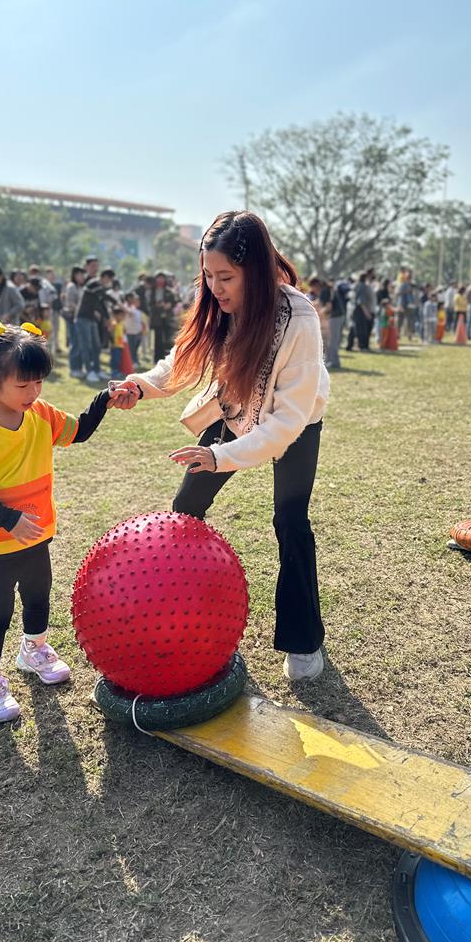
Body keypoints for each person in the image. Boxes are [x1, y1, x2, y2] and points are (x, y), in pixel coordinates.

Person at [113, 211, 330, 682]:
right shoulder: (217, 306)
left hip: (293, 423)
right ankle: (181, 614)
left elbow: (286, 422)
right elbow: (181, 362)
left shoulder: (299, 319)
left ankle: (304, 641)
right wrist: (139, 386)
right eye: (208, 276)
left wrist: (220, 456)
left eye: (226, 277)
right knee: (186, 506)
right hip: (234, 407)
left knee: (290, 520)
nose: (215, 287)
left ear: (255, 270)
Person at [0, 319, 133, 721]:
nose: (33, 393)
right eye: (23, 385)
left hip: (36, 534)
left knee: (38, 596)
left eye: (38, 383)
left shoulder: (40, 413)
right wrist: (8, 519)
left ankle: (33, 651)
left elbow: (79, 431)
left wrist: (104, 398)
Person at [149, 271, 177, 364]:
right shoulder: (152, 291)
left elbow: (174, 301)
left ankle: (167, 359)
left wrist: (169, 305)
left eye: (162, 278)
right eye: (159, 278)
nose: (160, 280)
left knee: (168, 339)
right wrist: (157, 306)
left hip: (167, 318)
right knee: (157, 339)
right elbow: (149, 304)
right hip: (156, 318)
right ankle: (157, 359)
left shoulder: (169, 291)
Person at [326, 277, 349, 369]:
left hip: (335, 317)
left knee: (332, 341)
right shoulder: (335, 290)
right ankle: (330, 361)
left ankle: (335, 362)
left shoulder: (331, 292)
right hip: (339, 317)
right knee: (334, 340)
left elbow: (329, 307)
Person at [123, 291, 146, 366]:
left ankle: (135, 360)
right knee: (131, 347)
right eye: (134, 298)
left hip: (137, 331)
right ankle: (132, 361)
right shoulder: (125, 307)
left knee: (135, 347)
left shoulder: (136, 309)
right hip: (129, 331)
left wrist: (141, 330)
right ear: (129, 298)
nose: (135, 301)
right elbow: (129, 314)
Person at [109, 305, 126, 378]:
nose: (122, 317)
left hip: (120, 345)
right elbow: (110, 332)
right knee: (115, 359)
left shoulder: (121, 324)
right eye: (120, 315)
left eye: (122, 316)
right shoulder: (114, 323)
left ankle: (117, 371)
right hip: (115, 345)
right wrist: (112, 342)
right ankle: (114, 372)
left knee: (118, 359)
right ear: (115, 316)